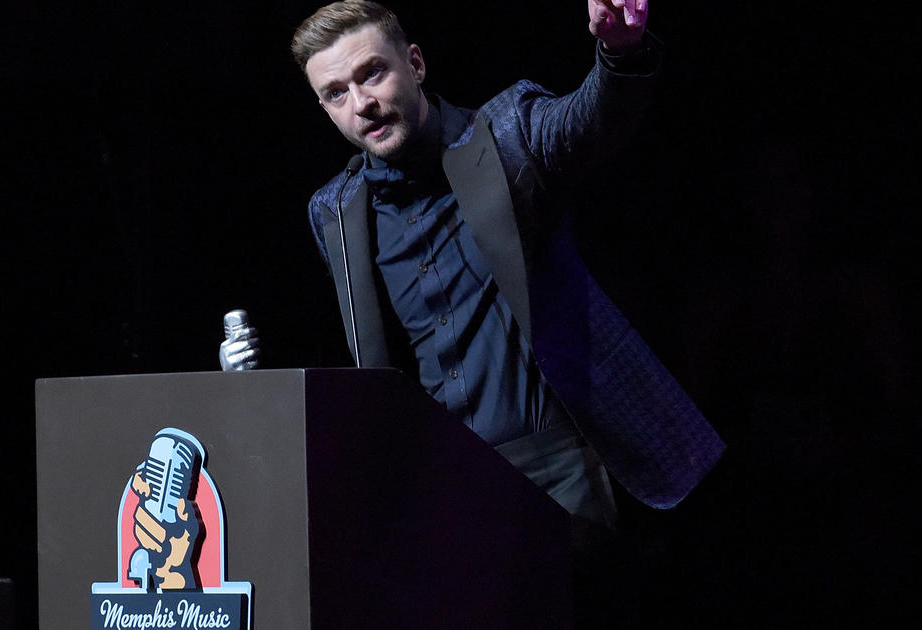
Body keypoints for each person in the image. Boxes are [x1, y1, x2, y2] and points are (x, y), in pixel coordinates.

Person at [227, 0, 723, 558]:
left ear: (414, 64)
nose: (361, 103)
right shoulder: (334, 212)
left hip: (557, 471)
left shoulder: (508, 136)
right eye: (336, 93)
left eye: (373, 73)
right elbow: (364, 358)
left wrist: (618, 51)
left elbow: (590, 118)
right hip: (434, 482)